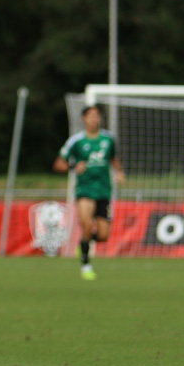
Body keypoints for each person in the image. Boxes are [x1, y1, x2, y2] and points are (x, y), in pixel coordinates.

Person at [53, 105, 125, 280]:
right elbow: (58, 164)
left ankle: (84, 243)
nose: (94, 119)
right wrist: (73, 166)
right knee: (86, 225)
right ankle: (86, 265)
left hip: (104, 190)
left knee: (103, 235)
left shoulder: (108, 139)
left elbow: (113, 159)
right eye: (90, 116)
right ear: (83, 119)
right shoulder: (76, 141)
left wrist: (120, 172)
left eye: (97, 116)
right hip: (84, 190)